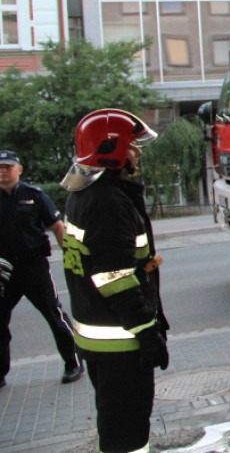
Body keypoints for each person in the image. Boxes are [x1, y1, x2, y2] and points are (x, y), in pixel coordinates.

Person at [61, 109, 169, 453]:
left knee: (115, 420)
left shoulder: (83, 194)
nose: (138, 153)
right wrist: (147, 332)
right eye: (132, 146)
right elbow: (114, 277)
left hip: (100, 339)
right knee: (127, 430)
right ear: (112, 149)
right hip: (121, 342)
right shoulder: (108, 201)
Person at [0, 149, 83, 388]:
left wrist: (70, 256)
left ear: (19, 169)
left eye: (8, 167)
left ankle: (73, 363)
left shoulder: (34, 196)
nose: (4, 172)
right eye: (0, 168)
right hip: (4, 270)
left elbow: (57, 227)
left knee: (54, 315)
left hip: (33, 266)